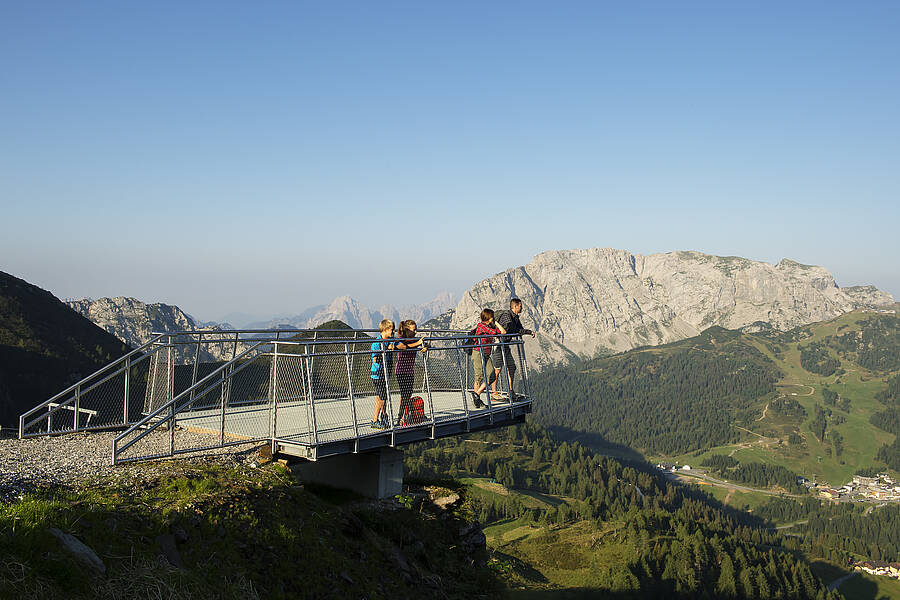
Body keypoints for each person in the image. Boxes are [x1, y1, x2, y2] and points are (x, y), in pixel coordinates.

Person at [492, 298, 535, 401]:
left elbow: (519, 329)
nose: (522, 307)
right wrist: (519, 331)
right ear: (515, 307)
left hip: (505, 345)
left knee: (512, 367)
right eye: (520, 306)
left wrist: (528, 332)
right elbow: (509, 329)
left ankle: (510, 391)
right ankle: (494, 392)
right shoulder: (507, 316)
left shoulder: (515, 317)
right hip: (498, 344)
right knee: (497, 369)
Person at [394, 319, 427, 425]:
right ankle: (400, 417)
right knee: (404, 395)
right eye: (414, 330)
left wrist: (425, 347)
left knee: (408, 394)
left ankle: (406, 414)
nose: (416, 332)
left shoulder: (413, 340)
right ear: (407, 330)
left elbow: (420, 345)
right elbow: (403, 347)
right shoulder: (401, 339)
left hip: (410, 371)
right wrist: (418, 343)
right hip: (401, 371)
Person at [471, 308, 505, 408]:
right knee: (479, 377)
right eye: (492, 316)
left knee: (492, 375)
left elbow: (503, 332)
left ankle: (476, 394)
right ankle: (477, 401)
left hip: (486, 354)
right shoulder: (481, 326)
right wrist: (495, 325)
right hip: (478, 353)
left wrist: (496, 323)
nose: (493, 318)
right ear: (489, 317)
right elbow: (494, 333)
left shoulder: (491, 326)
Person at [370, 319, 395, 429]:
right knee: (382, 397)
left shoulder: (390, 340)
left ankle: (384, 415)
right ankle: (375, 420)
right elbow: (375, 359)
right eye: (392, 330)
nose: (393, 332)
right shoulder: (377, 343)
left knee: (381, 396)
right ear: (385, 330)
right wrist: (386, 349)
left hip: (385, 373)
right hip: (378, 374)